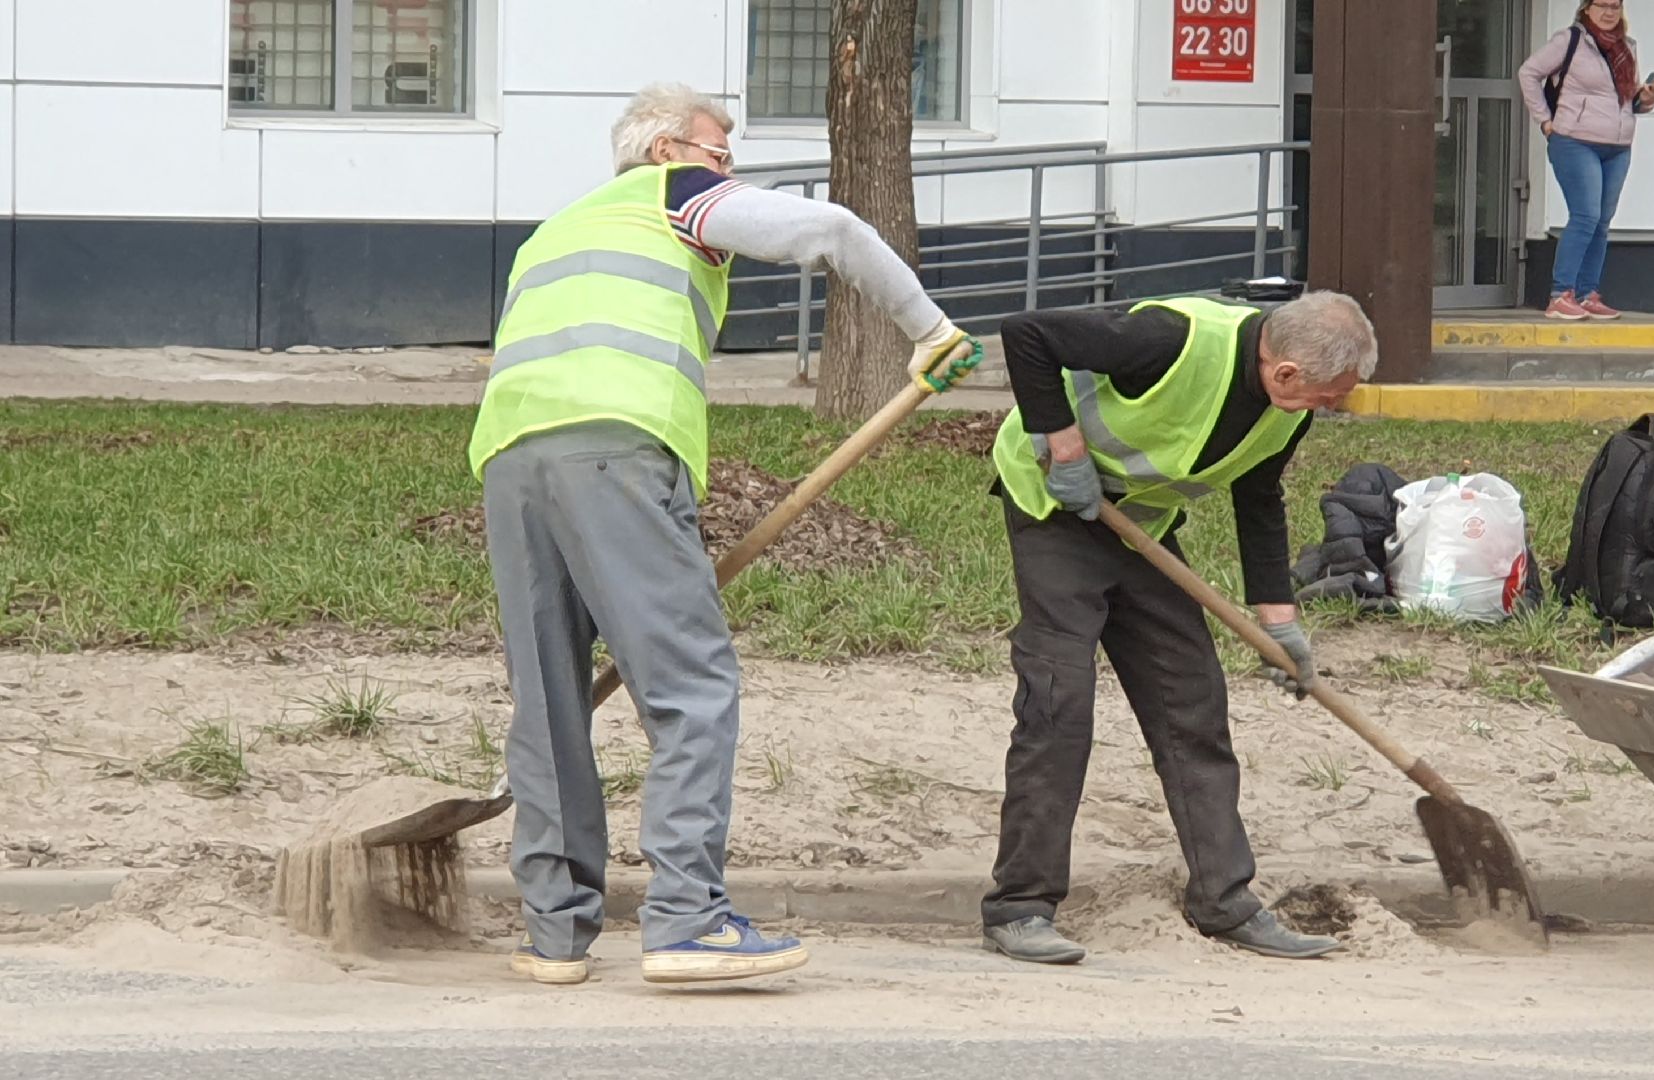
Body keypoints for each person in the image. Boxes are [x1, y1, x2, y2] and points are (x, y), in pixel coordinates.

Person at [467, 82, 980, 986]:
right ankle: (686, 921)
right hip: (619, 450)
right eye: (719, 151)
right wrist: (928, 328)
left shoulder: (555, 232)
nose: (729, 169)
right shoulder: (674, 197)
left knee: (548, 705)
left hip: (511, 462)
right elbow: (837, 233)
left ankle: (554, 933)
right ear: (666, 150)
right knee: (691, 687)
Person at [978, 291, 1378, 964]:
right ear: (1285, 373)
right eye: (1329, 395)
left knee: (1191, 701)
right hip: (1054, 507)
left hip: (1143, 531)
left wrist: (1278, 622)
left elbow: (1260, 497)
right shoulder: (1171, 340)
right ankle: (1020, 906)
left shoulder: (1288, 410)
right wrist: (1064, 442)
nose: (1331, 407)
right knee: (1059, 702)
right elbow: (1027, 334)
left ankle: (1223, 900)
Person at [1520, 0, 1654, 322]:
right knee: (1585, 215)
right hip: (1574, 141)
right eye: (1603, 5)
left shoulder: (1627, 47)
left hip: (1618, 146)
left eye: (1616, 6)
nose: (1610, 12)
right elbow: (1528, 73)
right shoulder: (1569, 40)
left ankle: (1587, 294)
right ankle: (1560, 295)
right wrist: (1544, 120)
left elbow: (1624, 101)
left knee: (1601, 221)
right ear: (1586, 8)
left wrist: (1646, 101)